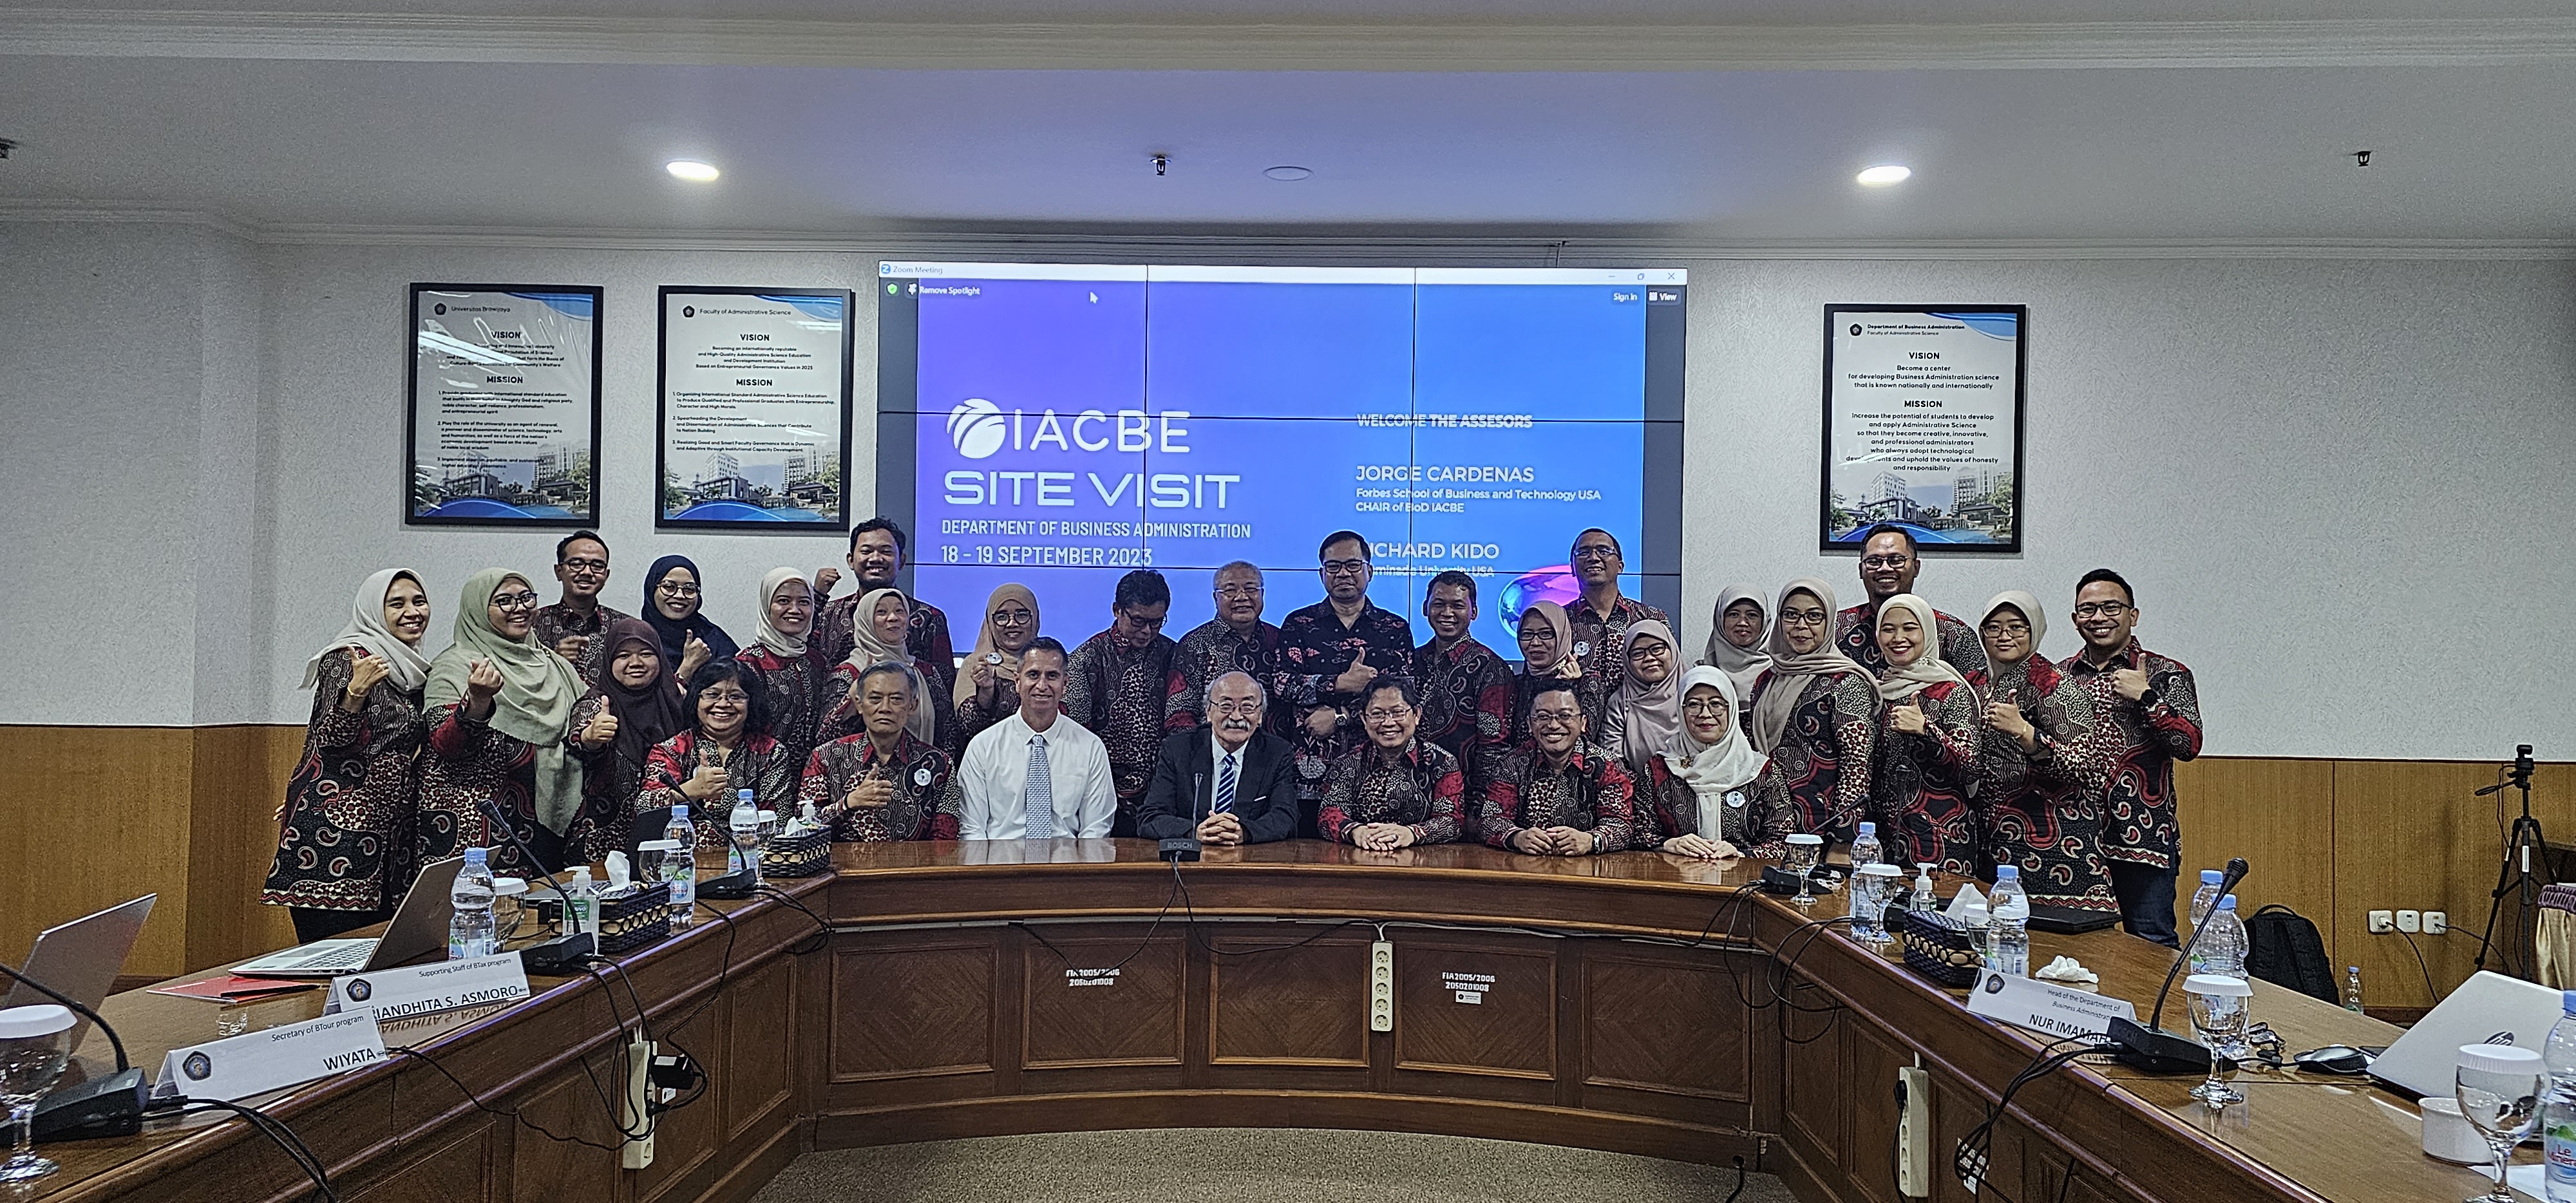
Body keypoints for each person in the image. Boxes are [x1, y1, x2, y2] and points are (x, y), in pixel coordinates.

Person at [263, 569, 435, 943]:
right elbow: (328, 738)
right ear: (373, 609)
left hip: (391, 831)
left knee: (384, 957)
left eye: (419, 601)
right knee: (335, 958)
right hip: (336, 834)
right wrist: (354, 693)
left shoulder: (413, 669)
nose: (412, 612)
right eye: (397, 604)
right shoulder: (348, 658)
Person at [2060, 569, 2203, 945]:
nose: (2099, 617)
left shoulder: (2166, 672)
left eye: (2111, 607)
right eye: (2088, 609)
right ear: (2075, 620)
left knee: (2152, 942)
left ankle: (2160, 1010)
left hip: (2144, 838)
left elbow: (2188, 744)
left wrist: (2146, 698)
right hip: (2075, 839)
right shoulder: (2058, 677)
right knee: (2080, 948)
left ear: (2133, 615)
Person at [418, 568, 590, 877]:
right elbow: (446, 746)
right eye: (505, 601)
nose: (520, 608)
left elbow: (584, 720)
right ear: (478, 609)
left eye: (526, 598)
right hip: (481, 830)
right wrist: (478, 701)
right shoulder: (454, 667)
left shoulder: (555, 664)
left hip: (553, 823)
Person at [1970, 591, 2114, 913]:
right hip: (1993, 840)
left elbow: (2085, 767)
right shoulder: (1977, 683)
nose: (2004, 636)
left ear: (2034, 630)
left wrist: (2026, 733)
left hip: (2055, 845)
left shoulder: (2054, 685)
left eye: (2017, 627)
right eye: (1993, 628)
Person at [1280, 531, 1416, 837]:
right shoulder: (1298, 624)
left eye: (1353, 565)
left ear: (1370, 571)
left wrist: (1341, 718)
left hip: (1375, 770)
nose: (1343, 574)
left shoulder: (1393, 629)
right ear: (1322, 574)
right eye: (1334, 567)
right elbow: (1283, 684)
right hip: (1309, 774)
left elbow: (1406, 699)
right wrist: (1340, 683)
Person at [1747, 578, 1879, 847]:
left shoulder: (1846, 682)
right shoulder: (1766, 679)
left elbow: (1857, 767)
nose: (1801, 626)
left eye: (1814, 616)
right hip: (1766, 822)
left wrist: (1844, 840)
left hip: (1820, 827)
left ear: (1829, 622)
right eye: (1791, 615)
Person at [946, 638, 1117, 840]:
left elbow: (1096, 829)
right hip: (999, 866)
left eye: (1052, 676)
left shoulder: (1091, 748)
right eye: (1033, 675)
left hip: (1067, 866)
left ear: (1065, 684)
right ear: (1018, 681)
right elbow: (971, 829)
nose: (1042, 685)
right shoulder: (983, 747)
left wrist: (1076, 871)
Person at [1869, 592, 1983, 875]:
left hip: (1941, 839)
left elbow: (1972, 767)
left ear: (1928, 632)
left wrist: (1926, 730)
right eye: (1888, 629)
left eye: (1910, 628)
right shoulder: (1879, 690)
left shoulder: (1950, 690)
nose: (1898, 638)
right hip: (1886, 839)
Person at [1634, 667, 1798, 861]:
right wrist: (1668, 844)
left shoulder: (1760, 771)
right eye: (1694, 704)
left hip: (1743, 882)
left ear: (1732, 709)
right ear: (1681, 709)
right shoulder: (1659, 769)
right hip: (1675, 881)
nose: (1705, 713)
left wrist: (1740, 854)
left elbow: (1784, 841)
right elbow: (1638, 833)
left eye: (1716, 704)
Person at [1063, 569, 1180, 836]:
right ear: (1117, 610)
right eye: (1138, 621)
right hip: (1103, 794)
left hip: (1163, 793)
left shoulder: (1173, 654)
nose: (1147, 631)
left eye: (1157, 622)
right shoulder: (1087, 658)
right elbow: (1074, 734)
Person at [564, 618, 687, 862]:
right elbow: (579, 738)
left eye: (645, 653)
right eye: (623, 656)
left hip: (669, 836)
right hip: (605, 844)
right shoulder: (599, 703)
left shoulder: (675, 700)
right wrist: (591, 737)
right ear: (609, 661)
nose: (635, 663)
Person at [638, 659, 800, 845]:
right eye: (713, 695)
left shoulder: (770, 752)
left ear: (751, 703)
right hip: (680, 862)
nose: (723, 704)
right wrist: (689, 791)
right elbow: (643, 808)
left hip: (749, 860)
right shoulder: (673, 749)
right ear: (696, 699)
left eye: (736, 697)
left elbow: (778, 823)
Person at [1135, 671, 1300, 846]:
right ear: (1208, 711)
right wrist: (1196, 832)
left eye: (1247, 707)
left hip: (1250, 861)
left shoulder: (1277, 753)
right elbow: (1150, 817)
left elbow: (1286, 818)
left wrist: (1243, 832)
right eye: (1226, 706)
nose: (1236, 717)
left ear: (1259, 715)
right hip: (1192, 863)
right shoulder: (1178, 750)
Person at [799, 662, 958, 842]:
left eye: (897, 699)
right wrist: (849, 802)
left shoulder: (939, 764)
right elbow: (802, 827)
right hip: (841, 869)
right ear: (859, 704)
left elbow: (946, 839)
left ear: (913, 706)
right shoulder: (825, 757)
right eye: (875, 699)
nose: (885, 708)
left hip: (915, 867)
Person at [1477, 681, 1634, 857]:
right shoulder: (1512, 764)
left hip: (1588, 872)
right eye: (1543, 717)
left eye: (1565, 716)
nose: (1553, 725)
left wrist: (1590, 840)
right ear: (1530, 724)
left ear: (1583, 723)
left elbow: (1622, 826)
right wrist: (1518, 837)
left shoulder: (1607, 765)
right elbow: (1490, 821)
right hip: (1526, 869)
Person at [1318, 679, 1465, 850]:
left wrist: (1411, 834)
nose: (1388, 722)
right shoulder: (1347, 764)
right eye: (1377, 714)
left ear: (1416, 714)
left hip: (1422, 863)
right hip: (1360, 861)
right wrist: (1356, 832)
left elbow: (1452, 822)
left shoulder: (1442, 762)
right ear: (1364, 720)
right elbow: (1328, 814)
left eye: (1398, 712)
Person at [1410, 571, 1515, 808]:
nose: (1447, 613)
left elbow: (1493, 749)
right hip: (1410, 797)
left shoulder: (1490, 668)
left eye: (1457, 605)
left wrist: (1477, 808)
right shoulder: (1411, 661)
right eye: (1439, 604)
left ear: (1474, 612)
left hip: (1462, 802)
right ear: (1425, 608)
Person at [1833, 524, 1987, 677]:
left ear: (1916, 567)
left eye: (1896, 560)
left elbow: (1979, 694)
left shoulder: (1953, 633)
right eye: (1874, 561)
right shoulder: (1836, 629)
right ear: (1861, 570)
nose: (1885, 568)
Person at [813, 516, 955, 674]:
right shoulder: (828, 614)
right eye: (866, 551)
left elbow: (944, 683)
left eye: (886, 551)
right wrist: (817, 596)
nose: (875, 558)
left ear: (901, 561)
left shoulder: (929, 618)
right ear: (851, 560)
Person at [1165, 561, 1289, 738]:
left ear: (1263, 594)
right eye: (1230, 590)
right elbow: (1178, 714)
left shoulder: (1279, 639)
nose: (1241, 597)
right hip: (1212, 756)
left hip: (1275, 757)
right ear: (1216, 598)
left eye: (1251, 589)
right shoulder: (1194, 644)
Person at [1562, 528, 1670, 732]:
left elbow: (1669, 680)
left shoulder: (1651, 619)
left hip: (1640, 731)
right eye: (1584, 552)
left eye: (1603, 551)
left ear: (1621, 566)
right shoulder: (1559, 622)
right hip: (1574, 735)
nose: (1593, 557)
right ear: (1573, 568)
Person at [734, 567, 836, 774]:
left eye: (804, 602)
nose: (795, 609)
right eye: (783, 601)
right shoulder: (748, 663)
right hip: (761, 775)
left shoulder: (817, 661)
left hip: (813, 775)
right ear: (766, 606)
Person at [827, 587, 950, 750]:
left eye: (900, 611)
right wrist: (856, 691)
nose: (893, 618)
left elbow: (949, 733)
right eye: (881, 612)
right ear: (866, 621)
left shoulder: (925, 672)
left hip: (920, 771)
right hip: (857, 771)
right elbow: (825, 736)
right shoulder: (848, 673)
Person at [531, 531, 627, 686]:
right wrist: (553, 661)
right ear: (559, 572)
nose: (587, 572)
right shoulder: (531, 625)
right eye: (576, 564)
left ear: (606, 575)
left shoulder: (624, 627)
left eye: (597, 566)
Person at [952, 583, 1040, 747]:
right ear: (990, 622)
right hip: (988, 762)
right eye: (1001, 617)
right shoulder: (975, 664)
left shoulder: (1048, 665)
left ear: (1035, 619)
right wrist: (985, 692)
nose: (1012, 623)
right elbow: (969, 727)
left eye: (1021, 615)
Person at [1598, 620, 1681, 784]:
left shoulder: (1693, 692)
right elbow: (1613, 762)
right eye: (1638, 653)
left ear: (1672, 649)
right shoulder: (1620, 703)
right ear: (1627, 661)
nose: (1649, 658)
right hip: (1639, 794)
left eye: (1657, 649)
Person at [1510, 600, 1598, 748]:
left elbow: (1583, 740)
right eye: (1527, 634)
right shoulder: (1517, 683)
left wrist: (1569, 689)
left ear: (1562, 635)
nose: (1535, 642)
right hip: (1520, 768)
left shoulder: (1586, 681)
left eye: (1545, 634)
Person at [641, 554, 735, 683]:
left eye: (689, 589)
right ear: (652, 589)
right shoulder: (637, 640)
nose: (680, 596)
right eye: (669, 587)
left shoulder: (713, 640)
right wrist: (688, 668)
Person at [1697, 584, 1771, 717]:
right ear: (1720, 619)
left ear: (1765, 621)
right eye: (1734, 615)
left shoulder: (1778, 673)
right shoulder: (1702, 674)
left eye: (1752, 615)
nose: (1742, 622)